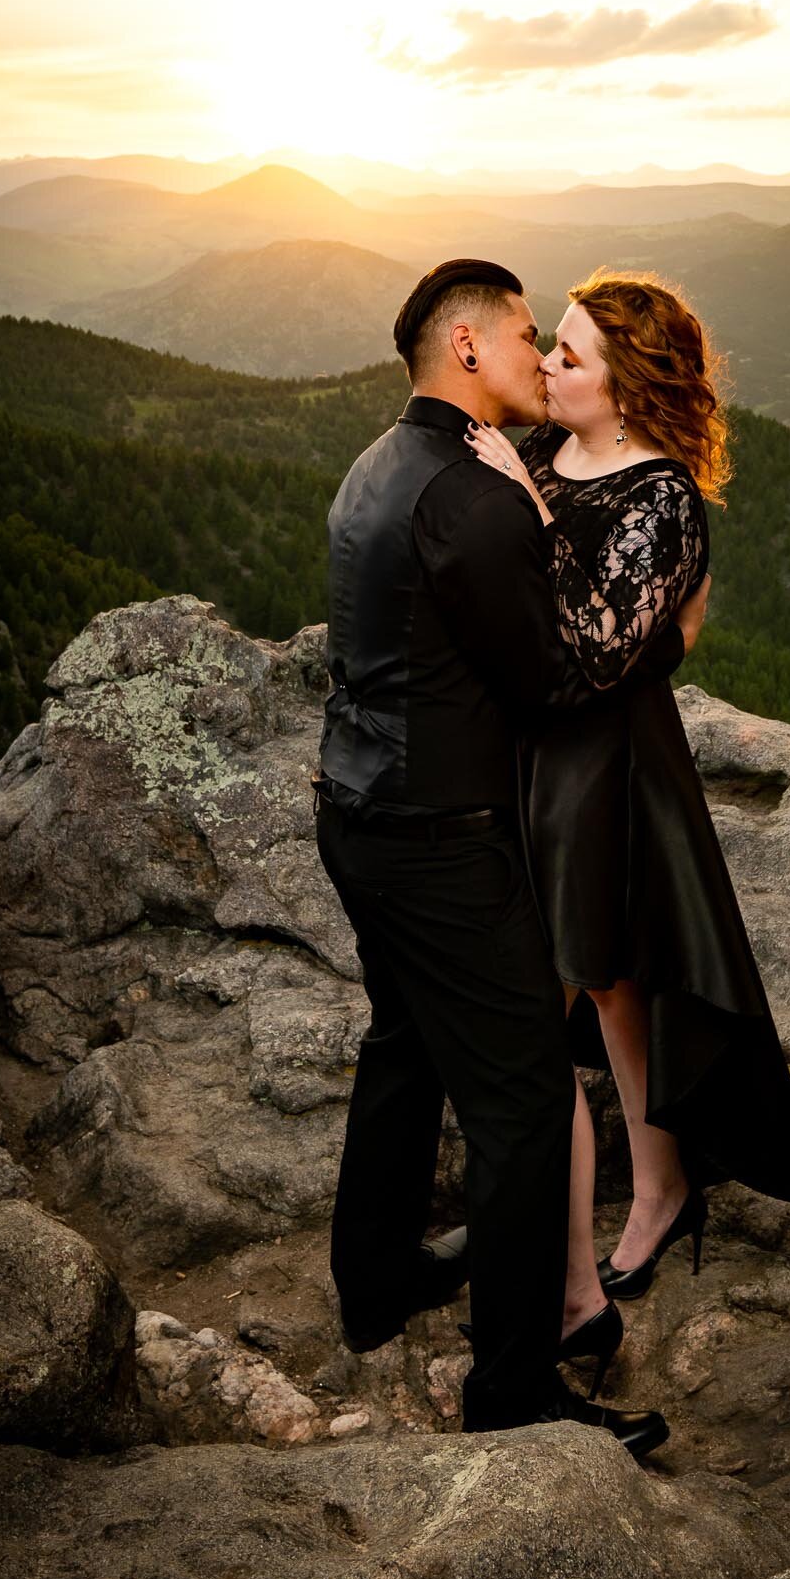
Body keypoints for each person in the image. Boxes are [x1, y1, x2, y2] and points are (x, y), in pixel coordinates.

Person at [314, 256, 707, 1458]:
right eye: (529, 334)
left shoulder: (381, 463)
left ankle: (376, 1278)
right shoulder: (477, 495)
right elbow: (555, 671)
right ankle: (516, 1385)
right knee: (529, 1102)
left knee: (404, 1042)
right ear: (469, 347)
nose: (542, 355)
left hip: (354, 810)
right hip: (440, 835)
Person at [466, 268, 790, 1398]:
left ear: (627, 384)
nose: (551, 366)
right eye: (553, 348)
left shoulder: (659, 495)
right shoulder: (536, 456)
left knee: (589, 982)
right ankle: (649, 1179)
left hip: (605, 770)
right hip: (528, 764)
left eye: (571, 353)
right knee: (605, 983)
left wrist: (518, 513)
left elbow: (588, 649)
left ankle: (616, 1220)